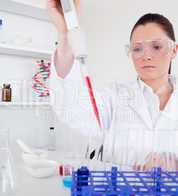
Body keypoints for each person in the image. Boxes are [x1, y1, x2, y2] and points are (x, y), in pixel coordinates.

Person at [47, 0, 178, 171]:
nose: (146, 56)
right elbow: (71, 107)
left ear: (174, 50)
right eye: (137, 49)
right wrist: (65, 35)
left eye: (157, 46)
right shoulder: (115, 98)